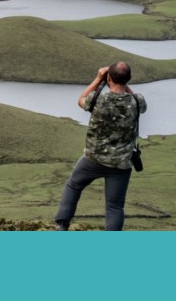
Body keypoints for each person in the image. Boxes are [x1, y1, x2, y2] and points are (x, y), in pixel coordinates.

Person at [54, 61, 146, 231]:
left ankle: (61, 225)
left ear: (109, 77)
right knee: (115, 206)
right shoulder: (137, 101)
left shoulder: (98, 100)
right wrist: (122, 82)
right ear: (128, 79)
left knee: (73, 185)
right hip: (121, 164)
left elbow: (81, 100)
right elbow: (138, 103)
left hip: (93, 159)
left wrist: (98, 79)